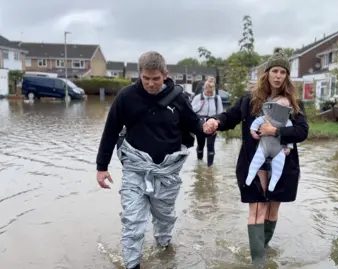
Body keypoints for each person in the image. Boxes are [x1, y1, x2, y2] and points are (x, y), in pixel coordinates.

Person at [95, 51, 210, 269]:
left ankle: (165, 250)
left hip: (167, 172)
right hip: (135, 169)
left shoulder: (178, 99)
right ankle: (132, 264)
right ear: (140, 75)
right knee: (132, 221)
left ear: (165, 75)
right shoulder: (126, 97)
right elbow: (110, 132)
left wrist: (209, 127)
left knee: (164, 220)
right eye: (145, 78)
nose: (150, 84)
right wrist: (102, 167)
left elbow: (196, 125)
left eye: (156, 79)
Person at [203, 48, 309, 266]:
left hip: (283, 162)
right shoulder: (249, 99)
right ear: (267, 73)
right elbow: (230, 117)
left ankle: (264, 245)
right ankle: (258, 262)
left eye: (283, 72)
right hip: (253, 160)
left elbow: (302, 132)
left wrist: (277, 132)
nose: (278, 76)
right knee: (257, 207)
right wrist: (216, 121)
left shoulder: (293, 103)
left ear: (286, 76)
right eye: (275, 71)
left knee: (273, 208)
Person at [247, 96, 294, 192]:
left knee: (278, 167)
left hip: (279, 149)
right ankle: (250, 176)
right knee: (256, 161)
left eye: (285, 107)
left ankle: (273, 184)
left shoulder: (287, 122)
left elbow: (290, 135)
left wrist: (289, 147)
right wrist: (253, 131)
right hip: (264, 146)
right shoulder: (266, 117)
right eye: (280, 106)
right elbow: (256, 122)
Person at [191, 76, 223, 166]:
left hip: (213, 123)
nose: (209, 94)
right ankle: (199, 164)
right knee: (200, 145)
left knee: (210, 146)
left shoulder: (217, 99)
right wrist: (200, 104)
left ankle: (210, 167)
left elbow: (220, 114)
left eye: (211, 92)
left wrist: (218, 127)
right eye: (207, 92)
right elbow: (191, 111)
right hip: (200, 123)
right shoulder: (198, 97)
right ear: (204, 89)